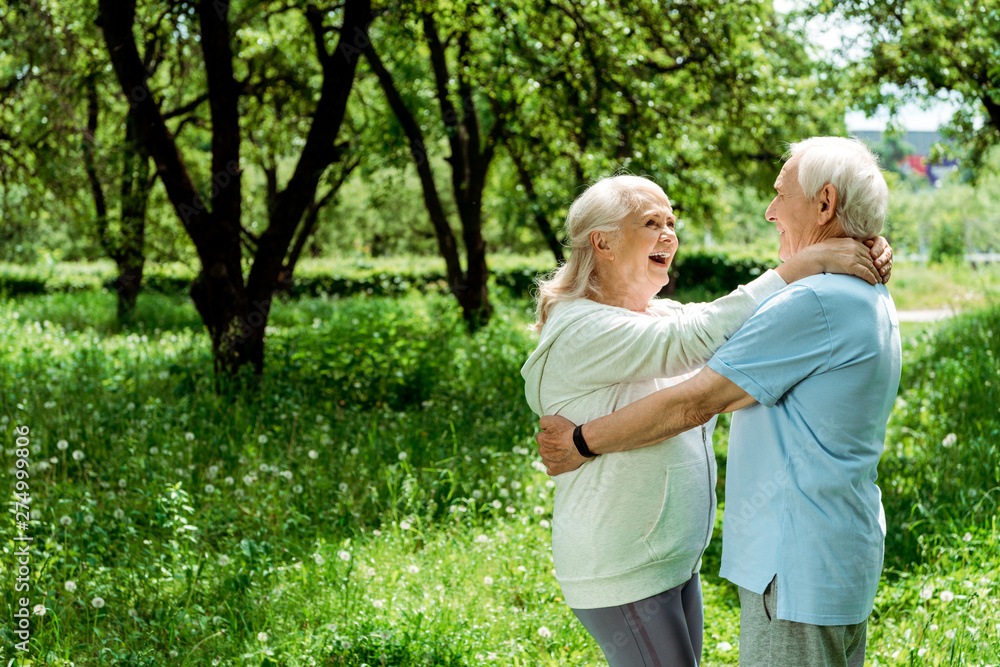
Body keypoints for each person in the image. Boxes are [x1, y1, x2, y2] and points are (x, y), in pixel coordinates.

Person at [535, 138, 902, 667]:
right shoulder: (589, 326)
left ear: (824, 204)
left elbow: (700, 382)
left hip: (749, 563)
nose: (770, 210)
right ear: (603, 243)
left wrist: (582, 441)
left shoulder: (817, 299)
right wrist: (826, 254)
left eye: (780, 195)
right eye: (650, 222)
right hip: (634, 561)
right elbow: (706, 338)